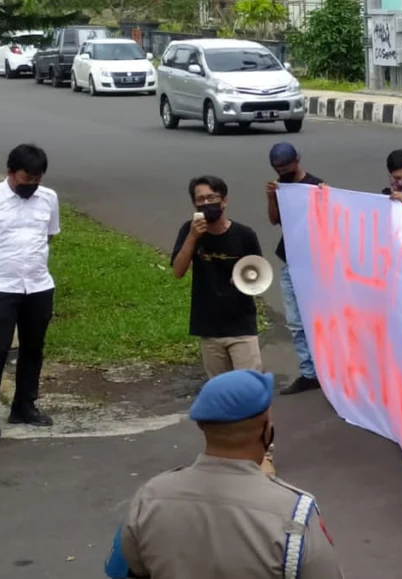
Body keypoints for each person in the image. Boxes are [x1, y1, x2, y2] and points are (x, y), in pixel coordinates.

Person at [103, 370, 344, 579]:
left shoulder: (150, 498)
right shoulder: (295, 513)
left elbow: (124, 571)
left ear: (201, 426)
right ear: (265, 428)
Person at [0, 144, 59, 439]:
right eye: (25, 179)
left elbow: (48, 237)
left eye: (36, 179)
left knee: (34, 348)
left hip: (38, 285)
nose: (31, 186)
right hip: (1, 286)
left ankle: (24, 406)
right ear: (10, 172)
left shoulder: (49, 199)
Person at [171, 176, 263, 378]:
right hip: (209, 326)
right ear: (194, 204)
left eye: (212, 197)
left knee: (250, 388)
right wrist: (193, 237)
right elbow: (178, 271)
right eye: (201, 199)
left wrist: (242, 280)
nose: (206, 203)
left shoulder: (244, 235)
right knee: (222, 392)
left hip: (241, 324)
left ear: (224, 200)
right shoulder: (189, 230)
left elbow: (259, 273)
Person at [265, 143, 325, 396]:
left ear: (297, 160)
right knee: (295, 322)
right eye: (278, 169)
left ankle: (327, 370)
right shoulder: (280, 187)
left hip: (316, 262)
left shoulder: (316, 186)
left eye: (287, 167)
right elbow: (274, 220)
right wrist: (271, 197)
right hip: (292, 260)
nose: (283, 172)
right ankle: (309, 372)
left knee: (319, 319)